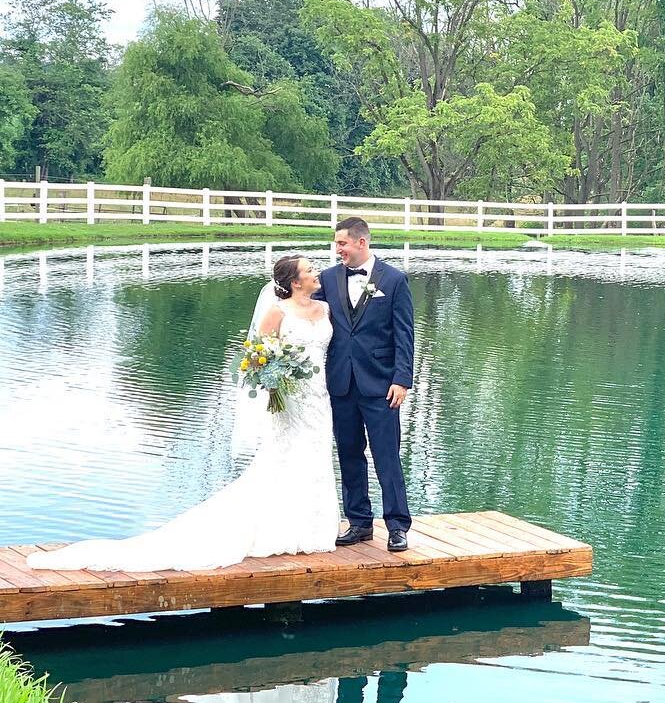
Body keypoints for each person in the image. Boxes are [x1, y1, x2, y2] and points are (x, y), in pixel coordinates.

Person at [28, 256, 339, 572]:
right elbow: (257, 356)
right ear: (295, 282)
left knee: (315, 454)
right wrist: (277, 380)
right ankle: (280, 529)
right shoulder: (277, 312)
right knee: (284, 457)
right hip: (288, 400)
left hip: (320, 396)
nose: (317, 272)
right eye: (310, 270)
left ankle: (312, 527)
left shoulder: (325, 309)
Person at [317, 217, 414, 553]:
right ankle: (359, 522)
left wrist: (402, 379)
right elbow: (298, 304)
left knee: (387, 456)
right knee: (348, 454)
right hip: (341, 383)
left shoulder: (394, 280)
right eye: (336, 244)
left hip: (382, 385)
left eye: (342, 243)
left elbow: (404, 334)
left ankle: (398, 526)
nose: (337, 249)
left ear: (361, 242)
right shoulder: (328, 278)